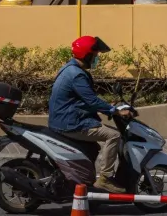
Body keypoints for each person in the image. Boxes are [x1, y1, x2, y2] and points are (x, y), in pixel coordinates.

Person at [48, 34, 123, 190]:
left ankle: (84, 178)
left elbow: (84, 99)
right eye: (95, 55)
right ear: (87, 54)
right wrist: (114, 111)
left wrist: (108, 106)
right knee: (114, 135)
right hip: (71, 123)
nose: (97, 59)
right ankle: (105, 179)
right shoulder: (77, 75)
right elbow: (92, 101)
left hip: (65, 119)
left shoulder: (70, 69)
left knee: (93, 147)